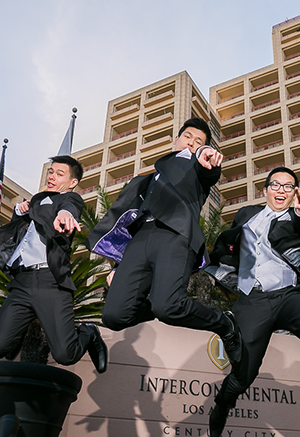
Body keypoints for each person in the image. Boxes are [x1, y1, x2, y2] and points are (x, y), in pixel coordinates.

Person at [204, 167, 300, 437]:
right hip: (254, 299)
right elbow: (229, 244)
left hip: (289, 293)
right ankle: (222, 405)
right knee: (244, 373)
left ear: (295, 194)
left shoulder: (297, 216)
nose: (281, 190)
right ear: (264, 190)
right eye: (275, 185)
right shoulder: (246, 215)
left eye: (289, 187)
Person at [87, 117, 243, 368]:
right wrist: (117, 267)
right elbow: (126, 221)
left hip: (175, 236)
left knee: (168, 307)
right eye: (187, 137)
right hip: (140, 241)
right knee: (114, 316)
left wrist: (204, 154)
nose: (191, 143)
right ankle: (160, 296)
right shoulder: (147, 179)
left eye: (198, 141)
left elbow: (210, 170)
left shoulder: (197, 168)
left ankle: (224, 322)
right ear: (176, 140)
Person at [0, 155, 107, 373]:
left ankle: (90, 332)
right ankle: (18, 330)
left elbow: (69, 206)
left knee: (65, 355)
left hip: (51, 283)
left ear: (72, 182)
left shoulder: (70, 200)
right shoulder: (37, 202)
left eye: (59, 174)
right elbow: (17, 234)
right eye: (51, 172)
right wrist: (19, 211)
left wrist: (65, 215)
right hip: (22, 282)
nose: (52, 177)